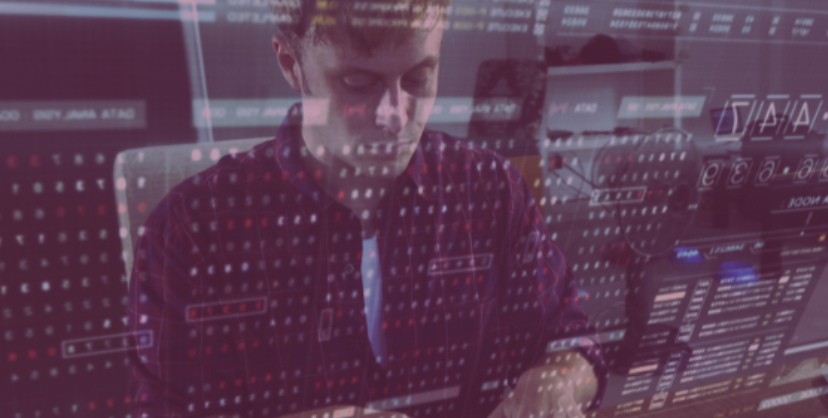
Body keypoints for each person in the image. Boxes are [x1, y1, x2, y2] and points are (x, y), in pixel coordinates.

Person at [127, 0, 606, 416]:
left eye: (419, 77)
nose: (395, 115)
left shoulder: (492, 190)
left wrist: (558, 382)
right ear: (291, 63)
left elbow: (572, 339)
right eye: (358, 82)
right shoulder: (190, 232)